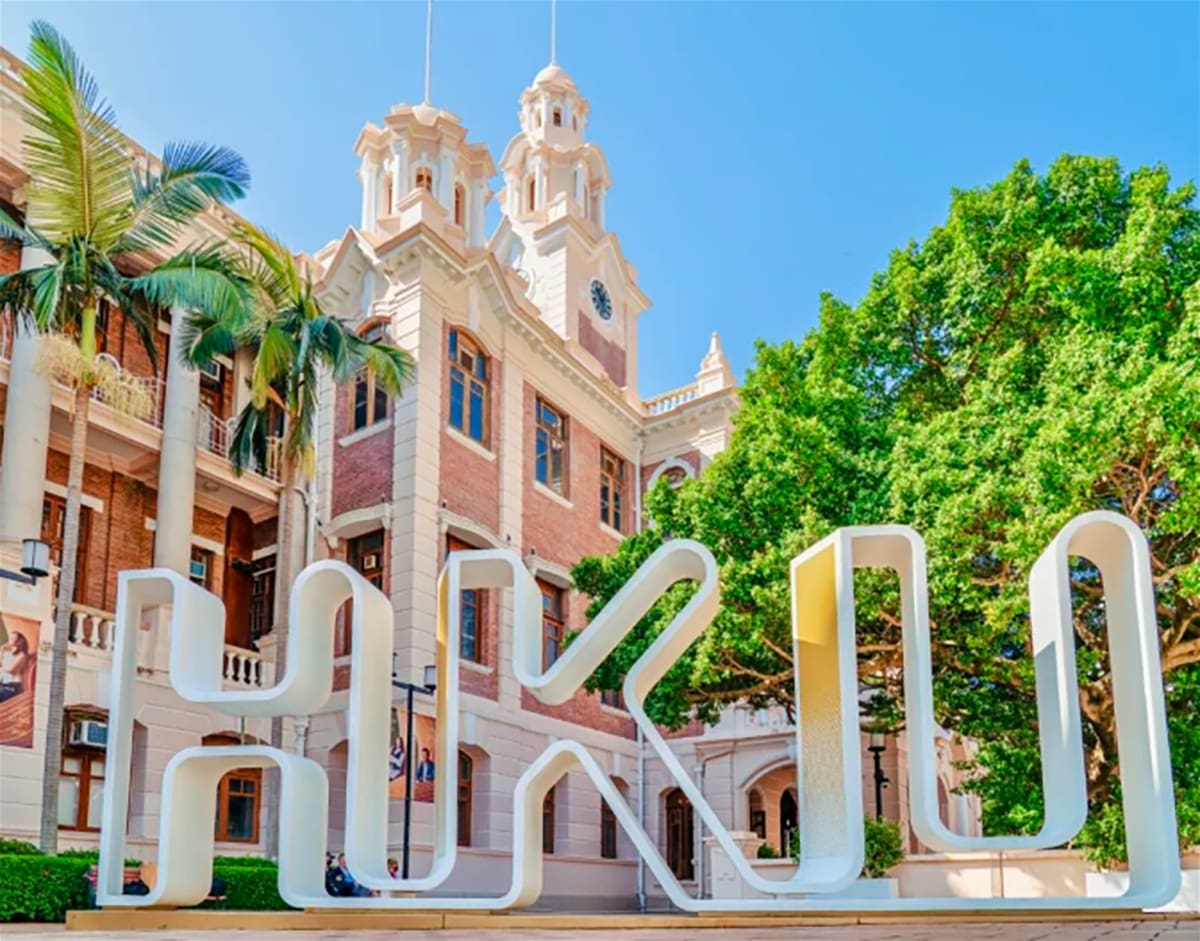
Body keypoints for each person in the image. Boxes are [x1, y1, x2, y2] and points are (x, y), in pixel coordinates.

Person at [0, 631, 30, 703]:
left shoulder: (22, 655)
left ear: (19, 641)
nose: (10, 640)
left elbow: (12, 670)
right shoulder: (8, 653)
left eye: (13, 638)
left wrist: (2, 669)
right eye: (10, 638)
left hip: (12, 686)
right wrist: (2, 650)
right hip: (2, 683)